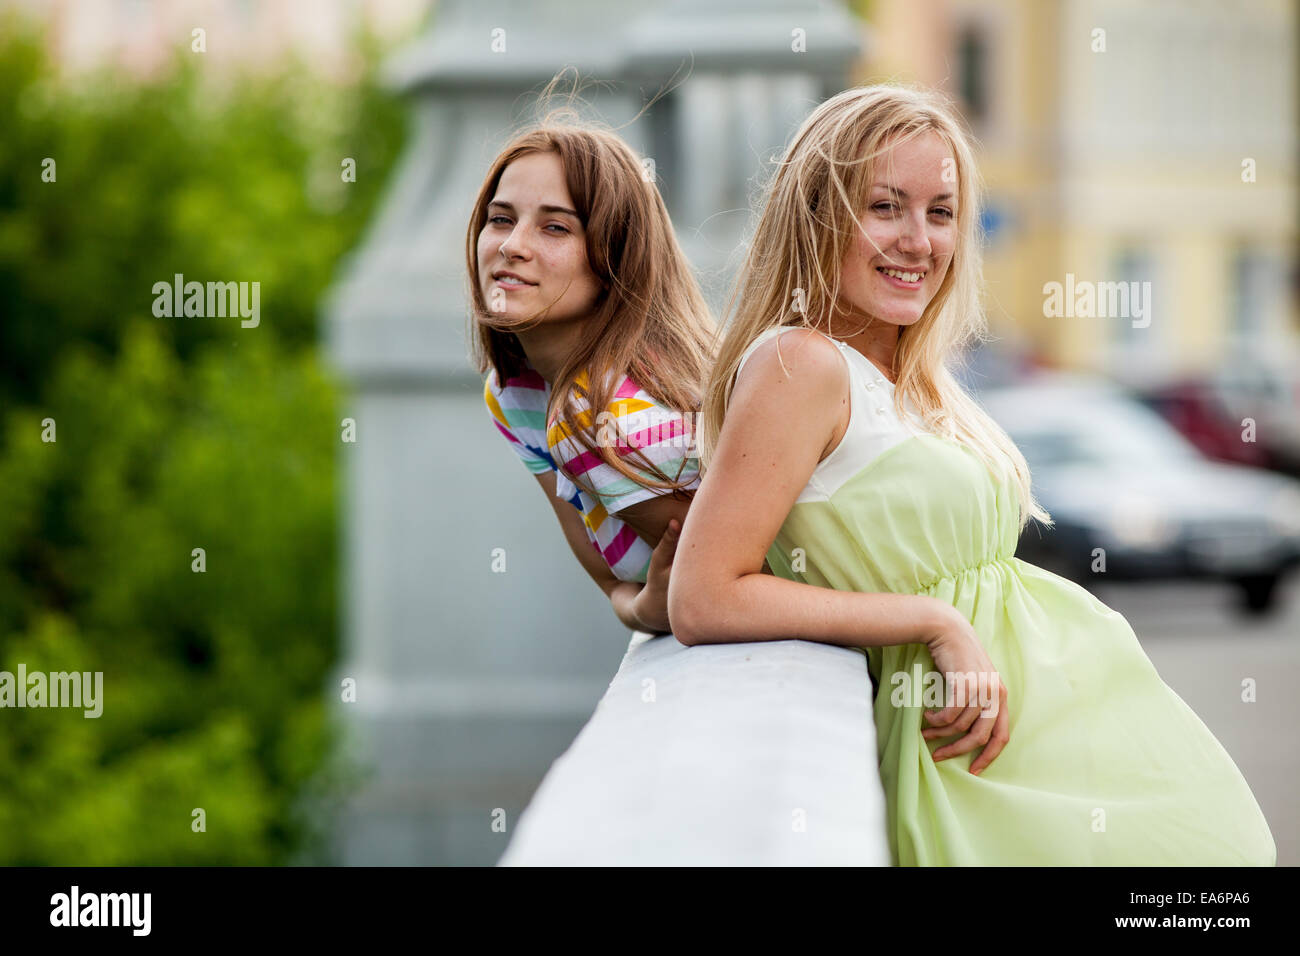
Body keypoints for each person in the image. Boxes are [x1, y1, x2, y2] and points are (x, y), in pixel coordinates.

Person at [668, 84, 1276, 866]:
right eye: (885, 207)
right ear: (819, 214)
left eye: (942, 212)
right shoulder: (802, 365)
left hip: (1066, 743)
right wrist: (935, 622)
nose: (919, 240)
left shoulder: (910, 370)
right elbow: (706, 594)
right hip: (980, 766)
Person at [469, 118, 716, 635]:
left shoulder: (594, 416)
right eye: (500, 219)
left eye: (555, 226)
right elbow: (616, 583)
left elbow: (738, 577)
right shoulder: (517, 394)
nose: (513, 245)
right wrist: (643, 611)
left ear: (615, 259)